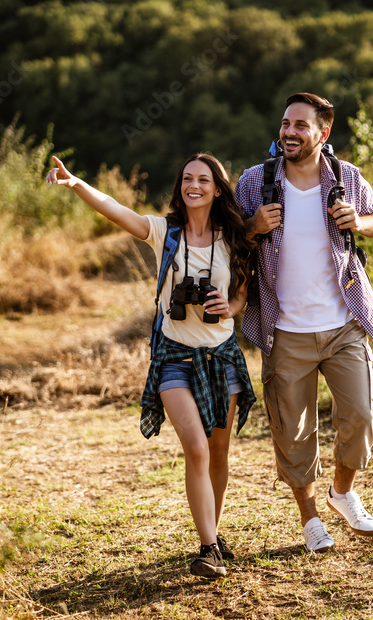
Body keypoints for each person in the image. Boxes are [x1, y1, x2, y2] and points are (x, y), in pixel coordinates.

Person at [46, 153, 257, 578]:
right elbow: (115, 208)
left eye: (202, 180)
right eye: (186, 178)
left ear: (218, 189)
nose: (192, 186)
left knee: (218, 453)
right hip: (174, 354)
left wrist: (228, 308)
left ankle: (212, 532)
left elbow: (242, 294)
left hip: (221, 356)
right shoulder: (165, 232)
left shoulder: (233, 237)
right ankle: (209, 546)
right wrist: (77, 184)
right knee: (195, 448)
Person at [235, 92, 373, 553]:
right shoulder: (254, 183)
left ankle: (342, 492)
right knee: (293, 431)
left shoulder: (345, 178)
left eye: (300, 126)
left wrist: (360, 223)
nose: (288, 131)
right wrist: (253, 228)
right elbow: (228, 236)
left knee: (361, 416)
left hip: (343, 323)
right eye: (286, 123)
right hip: (284, 331)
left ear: (323, 134)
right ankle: (309, 520)